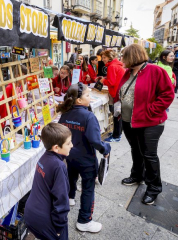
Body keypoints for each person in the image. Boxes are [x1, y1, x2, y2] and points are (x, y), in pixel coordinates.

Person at [117, 44, 174, 205]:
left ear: (132, 56)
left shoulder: (156, 71)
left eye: (124, 56)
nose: (121, 59)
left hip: (150, 122)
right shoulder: (128, 72)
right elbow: (123, 91)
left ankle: (154, 187)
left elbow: (168, 94)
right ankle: (137, 175)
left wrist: (151, 111)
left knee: (149, 155)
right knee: (136, 149)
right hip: (129, 120)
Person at [57, 83, 111, 232]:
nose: (90, 97)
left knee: (71, 177)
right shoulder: (88, 116)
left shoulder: (65, 114)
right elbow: (95, 141)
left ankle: (70, 198)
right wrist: (106, 148)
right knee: (88, 188)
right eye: (87, 95)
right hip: (86, 159)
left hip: (70, 156)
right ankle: (84, 220)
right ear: (79, 100)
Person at [24, 123, 73, 240]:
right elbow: (61, 200)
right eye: (68, 143)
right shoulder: (59, 166)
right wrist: (59, 227)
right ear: (56, 147)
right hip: (44, 220)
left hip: (30, 214)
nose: (72, 145)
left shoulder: (44, 157)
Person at [99, 50, 126, 142]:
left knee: (116, 115)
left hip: (116, 94)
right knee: (118, 114)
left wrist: (103, 81)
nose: (103, 60)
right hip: (120, 92)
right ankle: (118, 133)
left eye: (104, 58)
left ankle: (116, 136)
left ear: (110, 57)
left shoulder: (111, 67)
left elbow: (112, 82)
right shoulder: (118, 65)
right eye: (102, 58)